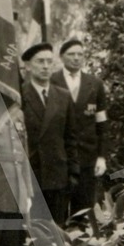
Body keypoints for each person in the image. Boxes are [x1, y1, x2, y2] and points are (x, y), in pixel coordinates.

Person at [53, 37, 111, 225]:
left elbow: (102, 124)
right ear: (61, 57)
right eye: (71, 54)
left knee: (84, 211)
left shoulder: (94, 84)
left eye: (80, 54)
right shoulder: (52, 81)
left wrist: (102, 156)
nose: (76, 58)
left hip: (87, 157)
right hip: (60, 158)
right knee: (58, 210)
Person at [19, 42, 74, 228]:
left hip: (57, 177)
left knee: (57, 233)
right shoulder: (19, 95)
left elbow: (70, 138)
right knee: (33, 234)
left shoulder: (64, 96)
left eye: (49, 62)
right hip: (31, 177)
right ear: (27, 66)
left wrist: (72, 175)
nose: (45, 66)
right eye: (40, 61)